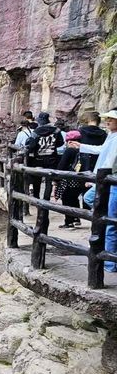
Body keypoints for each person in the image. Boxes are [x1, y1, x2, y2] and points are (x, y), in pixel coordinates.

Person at [69, 109, 117, 270]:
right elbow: (101, 151)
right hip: (104, 179)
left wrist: (97, 181)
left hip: (109, 181)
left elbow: (110, 161)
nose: (108, 121)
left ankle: (109, 264)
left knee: (110, 223)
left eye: (111, 119)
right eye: (107, 118)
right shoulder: (110, 135)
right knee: (92, 202)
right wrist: (81, 146)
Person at [55, 112, 107, 228]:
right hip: (97, 168)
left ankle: (73, 219)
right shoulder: (104, 135)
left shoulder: (81, 133)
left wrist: (56, 178)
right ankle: (95, 219)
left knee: (70, 195)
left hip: (80, 168)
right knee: (92, 196)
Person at [24, 112, 64, 197]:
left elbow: (32, 145)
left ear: (40, 121)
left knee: (36, 181)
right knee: (49, 182)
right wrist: (52, 146)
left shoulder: (36, 132)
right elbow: (61, 143)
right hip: (52, 158)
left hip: (38, 159)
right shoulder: (56, 130)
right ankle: (46, 200)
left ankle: (36, 199)